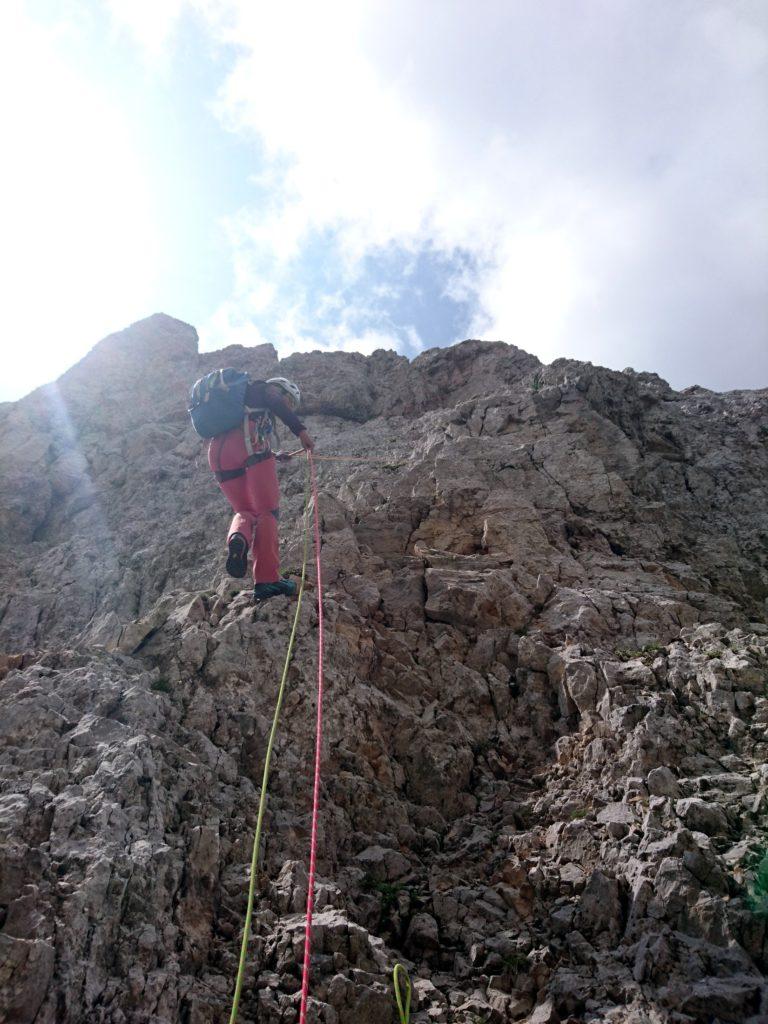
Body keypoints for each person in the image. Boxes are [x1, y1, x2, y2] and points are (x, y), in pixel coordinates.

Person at [207, 376, 314, 601]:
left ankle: (238, 539)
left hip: (217, 453)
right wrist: (301, 432)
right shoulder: (266, 390)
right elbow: (275, 408)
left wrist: (274, 455)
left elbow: (237, 442)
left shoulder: (243, 401)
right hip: (249, 445)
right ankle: (267, 580)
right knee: (268, 512)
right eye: (290, 401)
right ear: (282, 390)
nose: (288, 406)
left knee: (244, 510)